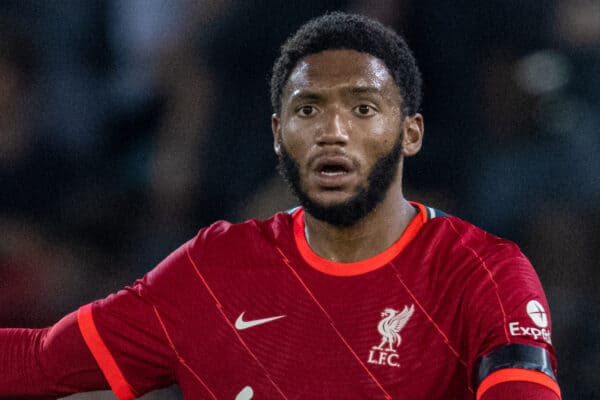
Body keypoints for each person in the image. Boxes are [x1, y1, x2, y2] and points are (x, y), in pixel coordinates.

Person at [0, 12, 561, 400]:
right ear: (277, 133)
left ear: (410, 133)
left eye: (363, 109)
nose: (333, 132)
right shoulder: (212, 271)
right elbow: (42, 361)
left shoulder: (484, 273)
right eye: (309, 110)